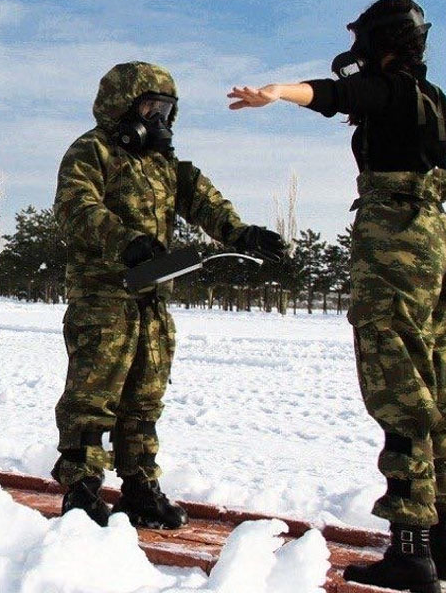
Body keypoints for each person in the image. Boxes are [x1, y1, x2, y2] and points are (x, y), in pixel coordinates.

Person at [228, 0, 446, 593]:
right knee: (439, 387)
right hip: (442, 242)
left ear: (379, 43)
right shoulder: (431, 97)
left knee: (399, 389)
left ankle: (410, 553)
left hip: (396, 243)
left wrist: (279, 90)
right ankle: (443, 541)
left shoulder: (390, 89)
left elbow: (336, 96)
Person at [53, 61, 287, 530]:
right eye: (149, 107)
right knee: (93, 396)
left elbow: (205, 201)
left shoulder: (165, 166)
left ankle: (139, 487)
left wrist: (242, 235)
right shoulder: (91, 151)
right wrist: (127, 242)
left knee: (145, 396)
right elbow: (75, 207)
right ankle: (81, 491)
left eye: (166, 109)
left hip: (151, 298)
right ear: (122, 106)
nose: (159, 118)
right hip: (104, 297)